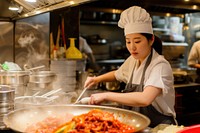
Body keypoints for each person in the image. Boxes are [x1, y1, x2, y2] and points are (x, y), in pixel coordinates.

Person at [84, 6, 176, 127]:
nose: (132, 47)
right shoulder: (132, 60)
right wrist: (96, 79)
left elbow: (145, 99)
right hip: (139, 126)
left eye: (137, 41)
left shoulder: (160, 65)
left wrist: (106, 95)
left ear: (151, 40)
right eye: (128, 41)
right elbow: (117, 74)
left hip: (159, 128)